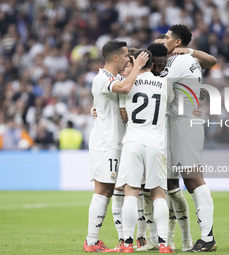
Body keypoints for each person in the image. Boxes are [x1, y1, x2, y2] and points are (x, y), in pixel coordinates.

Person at [83, 40, 148, 252]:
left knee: (115, 190)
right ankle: (91, 241)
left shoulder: (113, 78)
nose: (129, 59)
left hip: (117, 141)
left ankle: (123, 238)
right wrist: (138, 66)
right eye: (126, 56)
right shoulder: (102, 78)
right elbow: (125, 87)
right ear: (115, 57)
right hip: (106, 143)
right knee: (103, 190)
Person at [160, 24, 218, 252]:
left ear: (176, 42)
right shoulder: (185, 60)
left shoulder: (179, 61)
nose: (163, 40)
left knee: (193, 179)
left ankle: (208, 237)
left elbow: (160, 87)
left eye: (166, 37)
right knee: (176, 180)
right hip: (179, 122)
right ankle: (172, 238)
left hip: (184, 123)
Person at [115, 49, 175, 253]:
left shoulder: (128, 84)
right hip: (156, 142)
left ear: (137, 62)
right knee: (158, 194)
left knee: (131, 192)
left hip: (133, 140)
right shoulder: (165, 83)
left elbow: (124, 116)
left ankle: (127, 244)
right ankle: (164, 244)